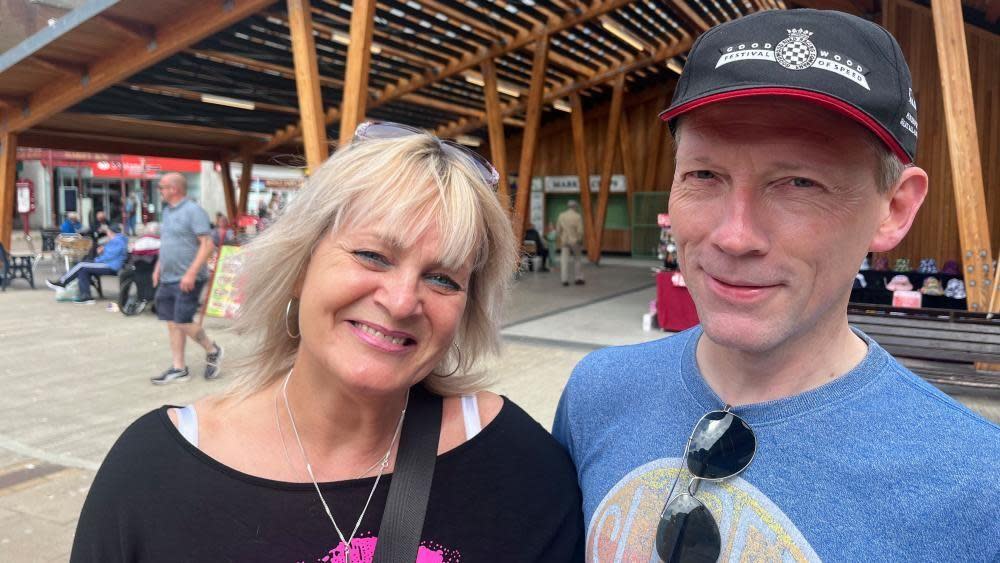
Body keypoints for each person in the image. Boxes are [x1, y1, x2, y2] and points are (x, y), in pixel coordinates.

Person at [554, 9, 999, 562]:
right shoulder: (596, 395)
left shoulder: (977, 489)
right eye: (704, 175)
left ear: (895, 209)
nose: (735, 236)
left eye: (799, 183)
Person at [71, 121, 584, 562]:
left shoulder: (520, 472)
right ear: (299, 266)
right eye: (373, 256)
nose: (403, 300)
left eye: (443, 278)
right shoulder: (151, 476)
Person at [150, 172, 223, 385]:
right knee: (172, 323)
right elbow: (168, 243)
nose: (160, 191)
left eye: (162, 187)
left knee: (182, 321)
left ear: (174, 189)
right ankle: (179, 368)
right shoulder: (167, 212)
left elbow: (207, 245)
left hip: (188, 277)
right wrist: (158, 267)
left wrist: (191, 273)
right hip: (168, 277)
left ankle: (212, 349)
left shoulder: (194, 211)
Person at [45, 225, 127, 304]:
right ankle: (86, 296)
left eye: (108, 232)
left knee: (82, 265)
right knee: (83, 270)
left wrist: (96, 259)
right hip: (109, 264)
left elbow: (109, 256)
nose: (107, 234)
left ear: (111, 232)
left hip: (111, 266)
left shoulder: (117, 241)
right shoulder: (117, 240)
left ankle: (62, 282)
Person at [556, 200, 585, 286]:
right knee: (577, 259)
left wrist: (561, 238)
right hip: (575, 241)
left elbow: (558, 230)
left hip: (565, 241)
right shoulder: (577, 216)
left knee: (564, 261)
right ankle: (578, 278)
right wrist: (580, 239)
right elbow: (580, 231)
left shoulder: (561, 215)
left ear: (568, 206)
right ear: (575, 207)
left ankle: (564, 280)